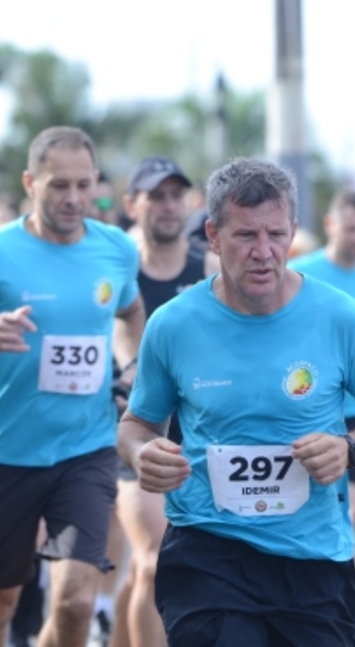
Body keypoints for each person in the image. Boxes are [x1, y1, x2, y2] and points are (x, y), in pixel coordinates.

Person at [117, 158, 355, 646]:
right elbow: (137, 424)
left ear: (293, 232)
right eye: (245, 236)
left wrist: (350, 449)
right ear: (213, 236)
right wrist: (140, 453)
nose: (263, 252)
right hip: (209, 549)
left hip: (313, 560)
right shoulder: (173, 324)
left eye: (276, 235)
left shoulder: (340, 317)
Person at [0, 126, 145, 647]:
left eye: (85, 185)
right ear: (29, 183)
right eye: (59, 185)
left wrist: (130, 367)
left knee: (76, 601)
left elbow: (130, 313)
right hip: (7, 451)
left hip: (86, 448)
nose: (74, 198)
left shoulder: (114, 249)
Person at [113, 156, 218, 647]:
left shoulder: (210, 270)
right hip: (139, 433)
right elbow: (117, 346)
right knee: (153, 560)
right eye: (156, 195)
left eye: (177, 194)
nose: (168, 205)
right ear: (133, 205)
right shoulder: (119, 272)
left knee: (150, 573)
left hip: (202, 438)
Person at [289, 189, 355, 635]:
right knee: (326, 510)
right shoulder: (304, 272)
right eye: (350, 228)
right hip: (316, 407)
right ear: (331, 225)